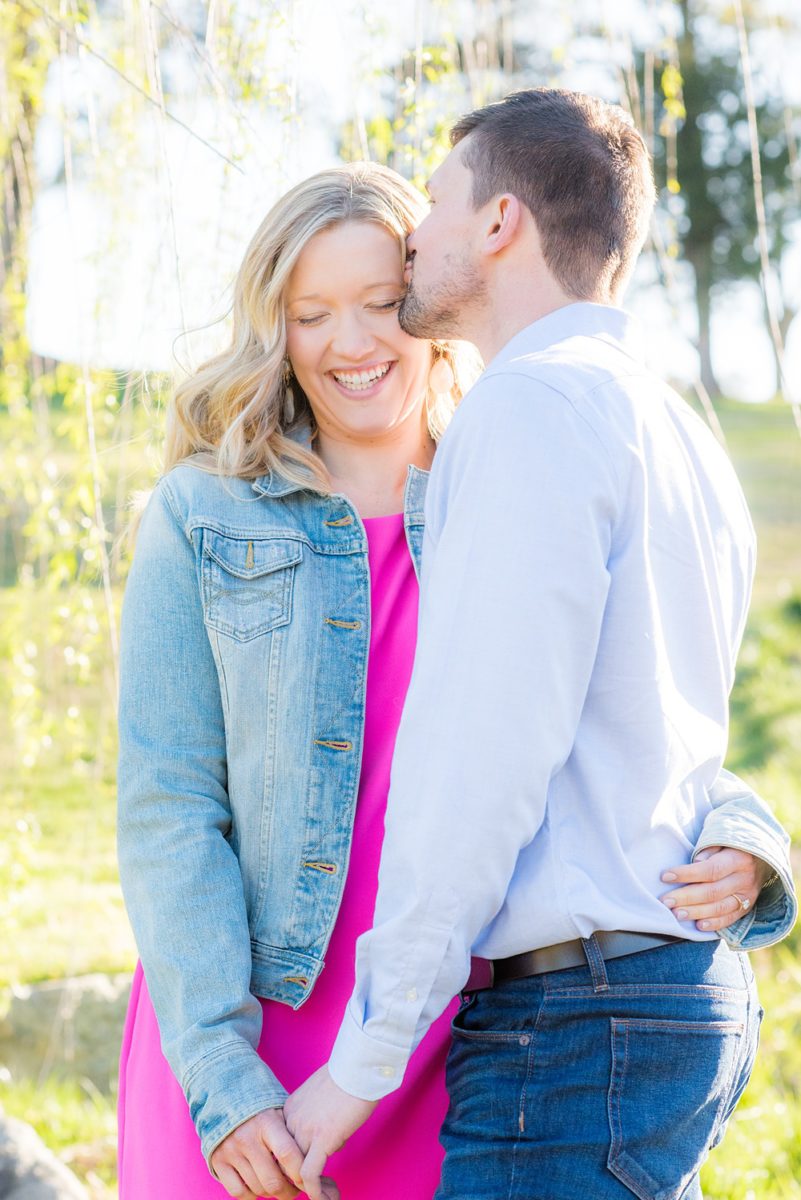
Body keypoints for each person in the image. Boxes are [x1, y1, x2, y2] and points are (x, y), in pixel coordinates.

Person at [115, 160, 795, 1200]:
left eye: (384, 303)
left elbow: (616, 714)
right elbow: (168, 805)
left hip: (456, 1038)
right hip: (248, 1036)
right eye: (312, 313)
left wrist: (747, 833)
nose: (352, 343)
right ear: (278, 331)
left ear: (431, 299)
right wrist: (219, 1073)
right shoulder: (204, 517)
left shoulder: (514, 480)